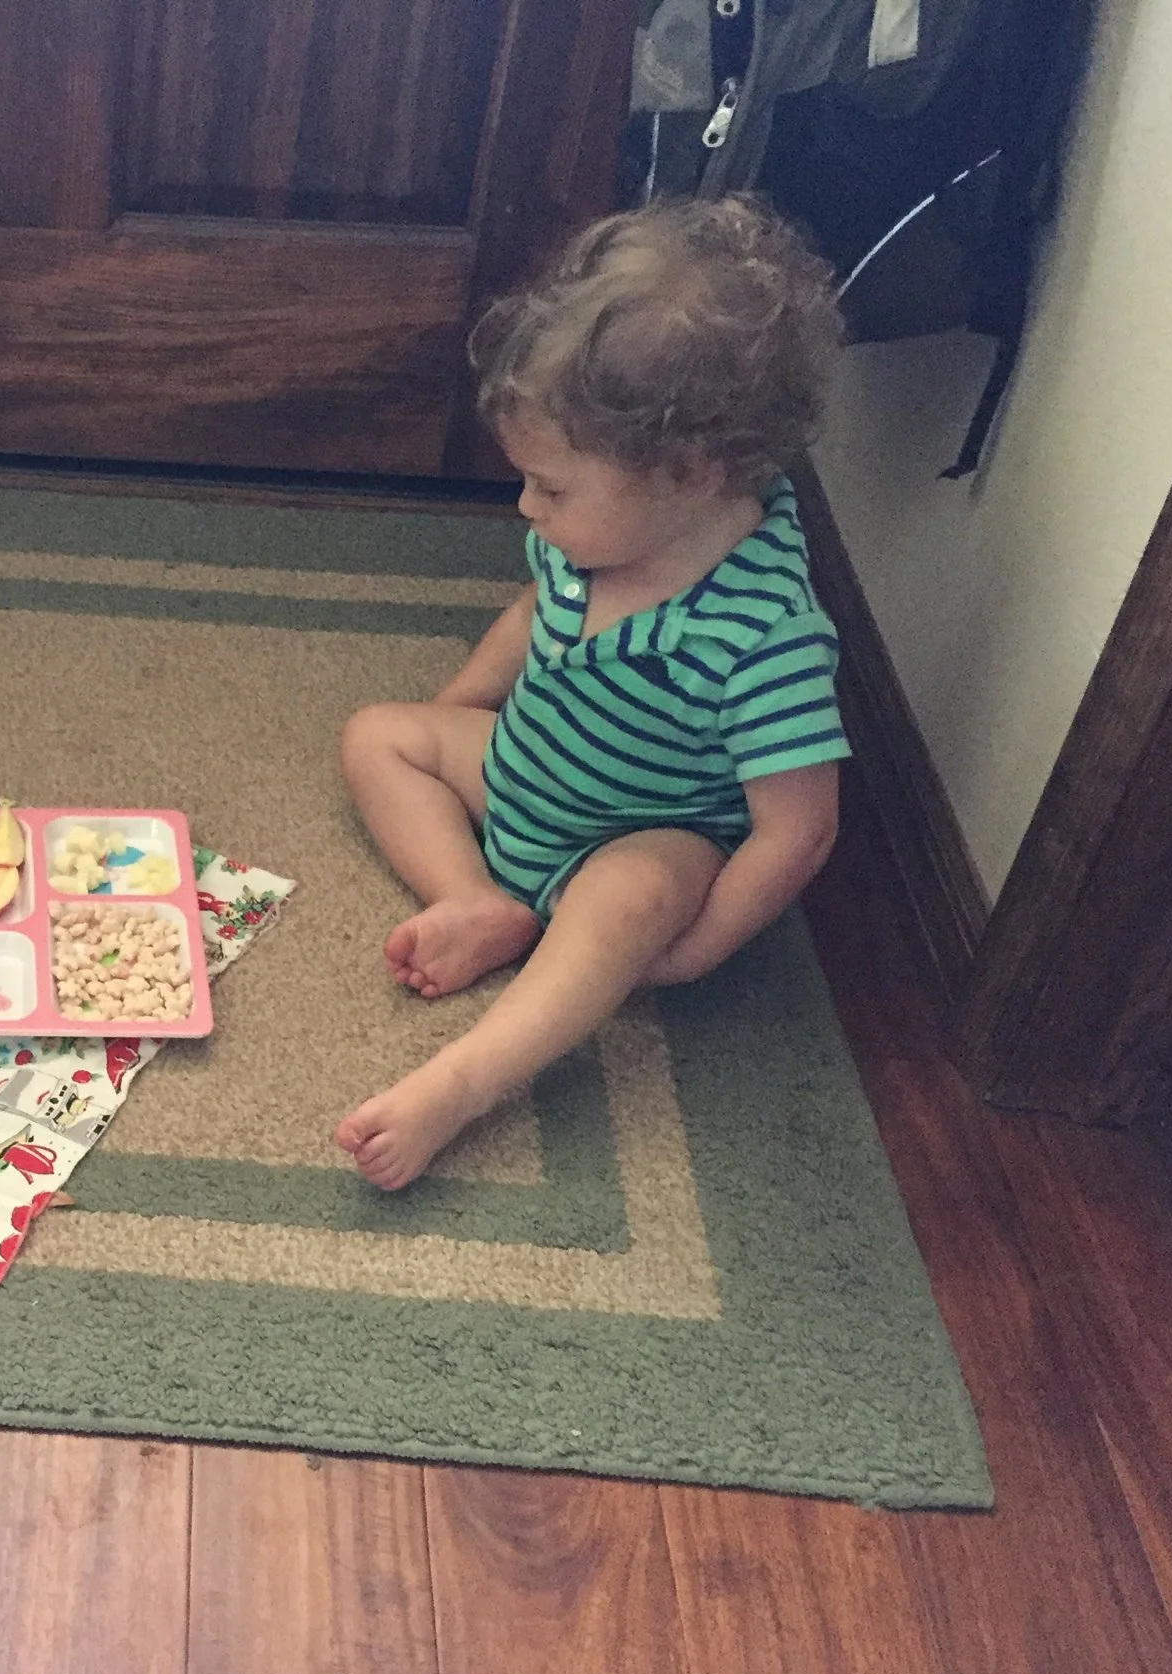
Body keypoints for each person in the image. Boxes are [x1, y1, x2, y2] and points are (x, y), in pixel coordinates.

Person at [336, 196, 851, 1191]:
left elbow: (799, 831)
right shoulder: (594, 538)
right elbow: (534, 616)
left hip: (640, 834)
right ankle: (475, 901)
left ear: (691, 473)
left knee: (626, 900)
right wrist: (462, 710)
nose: (528, 508)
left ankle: (462, 1081)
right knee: (379, 735)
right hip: (529, 771)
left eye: (552, 489)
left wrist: (696, 947)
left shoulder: (764, 632)